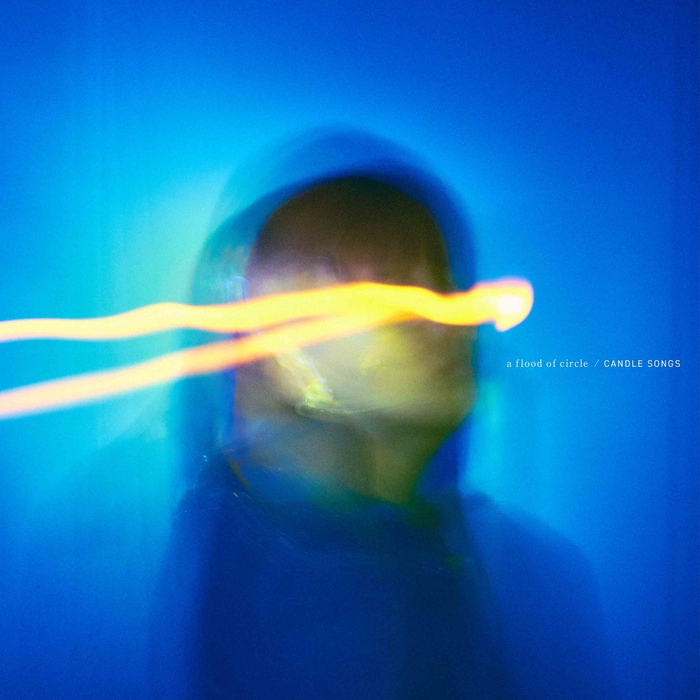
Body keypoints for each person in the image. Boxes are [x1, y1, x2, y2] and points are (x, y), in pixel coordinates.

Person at [149, 146, 617, 700]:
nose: (452, 322)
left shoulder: (526, 578)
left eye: (445, 281)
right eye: (394, 285)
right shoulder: (132, 573)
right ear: (280, 345)